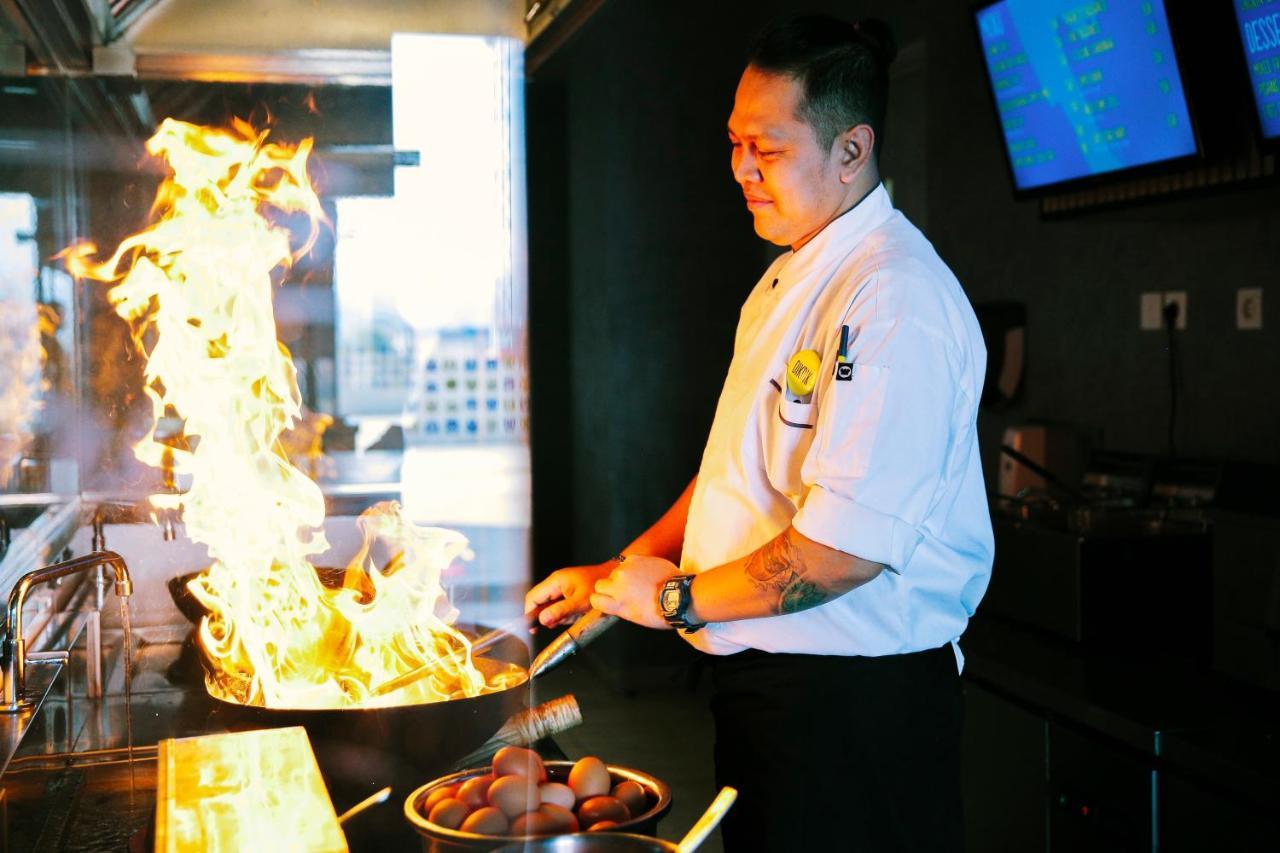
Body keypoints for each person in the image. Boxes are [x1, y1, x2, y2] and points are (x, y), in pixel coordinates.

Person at [526, 14, 993, 852]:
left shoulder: (894, 298)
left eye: (766, 149)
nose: (739, 168)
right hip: (771, 690)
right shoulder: (790, 274)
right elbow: (735, 472)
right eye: (735, 142)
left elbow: (840, 553)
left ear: (852, 150)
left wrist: (672, 601)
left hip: (855, 711)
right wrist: (619, 573)